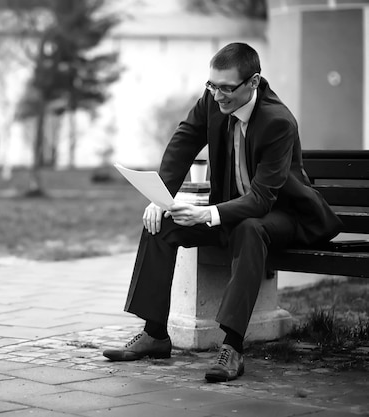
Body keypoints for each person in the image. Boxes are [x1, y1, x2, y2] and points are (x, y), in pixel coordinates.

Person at [102, 42, 342, 382]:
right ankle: (155, 333)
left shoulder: (278, 122)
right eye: (211, 85)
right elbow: (184, 139)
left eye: (227, 88)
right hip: (232, 209)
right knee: (162, 225)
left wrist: (206, 214)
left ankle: (232, 347)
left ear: (253, 82)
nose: (217, 95)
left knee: (250, 229)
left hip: (283, 215)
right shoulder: (213, 101)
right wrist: (161, 198)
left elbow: (260, 200)